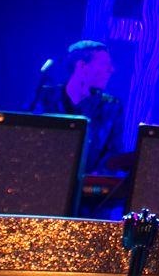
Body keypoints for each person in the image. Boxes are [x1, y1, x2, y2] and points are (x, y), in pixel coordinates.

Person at [33, 40, 125, 175]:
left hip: (89, 191)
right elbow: (33, 144)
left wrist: (88, 181)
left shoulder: (112, 107)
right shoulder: (46, 97)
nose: (111, 70)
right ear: (82, 66)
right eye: (105, 64)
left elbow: (114, 153)